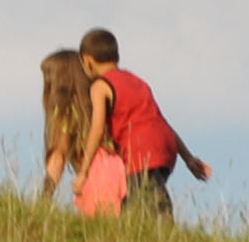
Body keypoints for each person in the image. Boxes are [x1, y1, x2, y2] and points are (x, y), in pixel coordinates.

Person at [75, 29, 210, 221]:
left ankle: (165, 228)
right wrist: (188, 158)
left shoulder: (100, 86)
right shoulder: (136, 82)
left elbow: (97, 129)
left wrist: (83, 173)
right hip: (164, 146)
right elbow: (161, 122)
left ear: (87, 61)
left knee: (148, 199)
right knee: (137, 199)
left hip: (141, 150)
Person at [42, 49, 125, 216]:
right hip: (124, 169)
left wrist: (44, 200)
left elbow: (58, 156)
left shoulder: (65, 114)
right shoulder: (101, 102)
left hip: (97, 176)